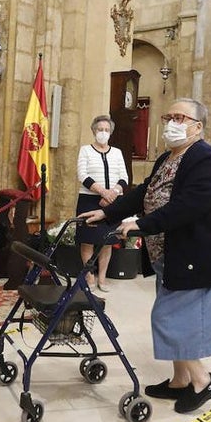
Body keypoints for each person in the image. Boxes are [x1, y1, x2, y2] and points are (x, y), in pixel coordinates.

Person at [80, 98, 211, 414]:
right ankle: (179, 380)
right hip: (168, 253)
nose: (172, 122)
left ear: (197, 126)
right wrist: (107, 213)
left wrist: (141, 225)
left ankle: (203, 380)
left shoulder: (205, 158)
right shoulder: (167, 157)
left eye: (180, 117)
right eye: (169, 116)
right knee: (180, 317)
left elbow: (187, 206)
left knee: (169, 316)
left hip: (194, 253)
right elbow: (143, 193)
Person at [74, 115, 129, 292]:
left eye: (106, 130)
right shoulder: (85, 150)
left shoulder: (117, 152)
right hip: (89, 199)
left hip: (113, 200)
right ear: (94, 131)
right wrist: (102, 191)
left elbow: (124, 177)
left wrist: (112, 193)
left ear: (110, 133)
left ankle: (102, 278)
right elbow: (82, 175)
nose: (103, 133)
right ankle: (89, 276)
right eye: (100, 130)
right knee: (87, 240)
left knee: (107, 240)